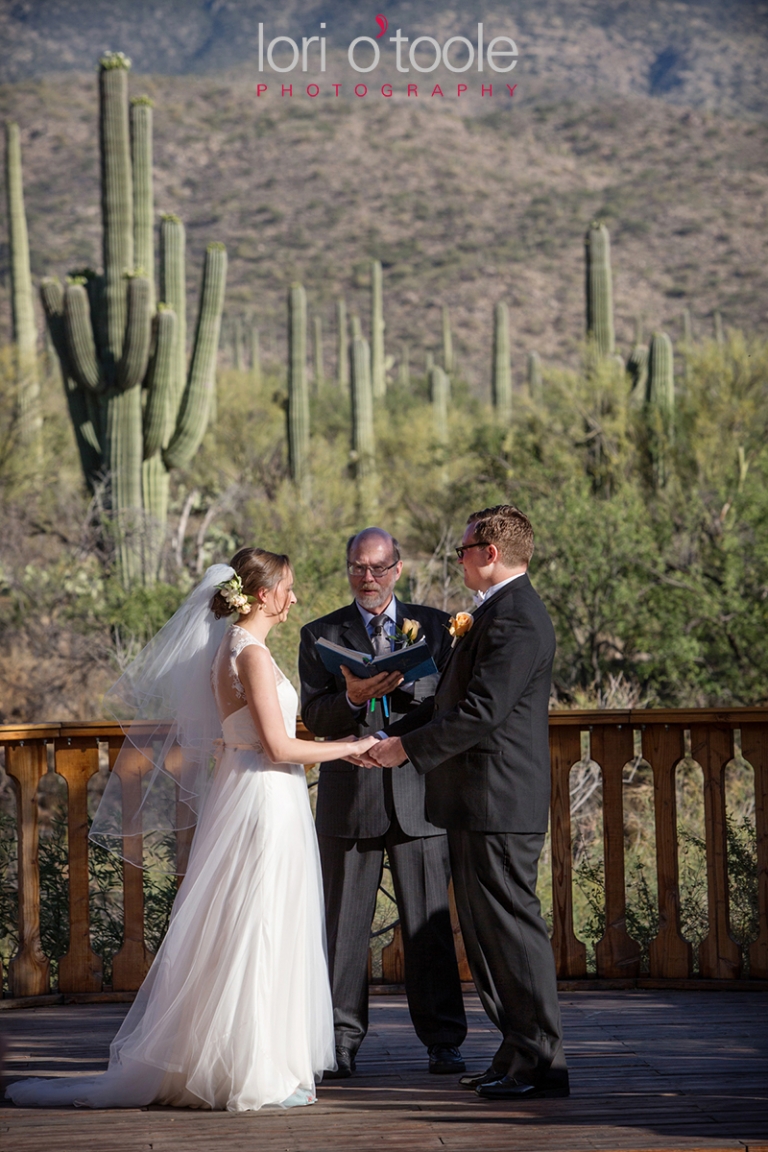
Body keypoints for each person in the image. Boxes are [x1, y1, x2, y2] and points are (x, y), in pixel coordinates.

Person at [6, 549, 377, 1112]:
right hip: (262, 795)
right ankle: (252, 1070)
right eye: (288, 588)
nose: (294, 598)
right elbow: (277, 746)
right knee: (258, 925)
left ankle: (254, 1058)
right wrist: (353, 747)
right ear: (260, 593)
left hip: (259, 790)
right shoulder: (247, 653)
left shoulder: (237, 649)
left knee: (259, 920)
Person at [368, 507, 569, 1100]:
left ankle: (541, 1064)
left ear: (489, 552)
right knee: (484, 938)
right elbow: (455, 705)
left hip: (500, 801)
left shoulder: (519, 619)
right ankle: (513, 1053)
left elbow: (483, 713)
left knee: (512, 932)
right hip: (472, 801)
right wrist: (392, 739)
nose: (457, 559)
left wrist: (406, 750)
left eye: (462, 550)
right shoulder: (491, 613)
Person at [298, 528, 467, 1079]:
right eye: (356, 568)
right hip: (352, 796)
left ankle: (443, 1041)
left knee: (429, 928)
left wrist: (410, 709)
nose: (366, 578)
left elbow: (454, 706)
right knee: (343, 929)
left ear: (398, 568)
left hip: (420, 793)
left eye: (376, 568)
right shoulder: (320, 633)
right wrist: (353, 696)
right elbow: (316, 719)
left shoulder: (439, 626)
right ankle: (339, 1041)